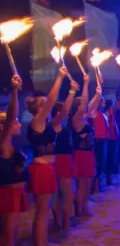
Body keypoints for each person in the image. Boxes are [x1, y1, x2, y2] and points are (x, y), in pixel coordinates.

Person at [25, 66, 68, 246]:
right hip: (40, 168)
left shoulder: (46, 123)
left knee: (45, 208)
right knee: (42, 210)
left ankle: (42, 243)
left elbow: (62, 110)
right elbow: (51, 100)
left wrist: (72, 91)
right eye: (43, 105)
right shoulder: (36, 121)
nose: (48, 107)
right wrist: (59, 77)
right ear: (38, 108)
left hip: (48, 167)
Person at [0, 75, 25, 246]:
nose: (18, 123)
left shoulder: (10, 143)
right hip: (5, 195)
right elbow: (11, 116)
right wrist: (15, 91)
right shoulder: (2, 143)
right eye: (13, 122)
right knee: (3, 239)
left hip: (15, 195)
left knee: (11, 235)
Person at [72, 75, 102, 217]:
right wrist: (85, 84)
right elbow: (86, 104)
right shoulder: (76, 120)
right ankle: (80, 210)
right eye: (81, 105)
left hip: (88, 153)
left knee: (87, 183)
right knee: (82, 184)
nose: (85, 107)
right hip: (81, 154)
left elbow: (92, 105)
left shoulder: (84, 118)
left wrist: (98, 93)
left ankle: (84, 208)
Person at [52, 80, 79, 232]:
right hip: (59, 160)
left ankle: (64, 220)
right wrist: (72, 92)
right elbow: (64, 112)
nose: (67, 112)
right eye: (63, 110)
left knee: (65, 194)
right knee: (63, 193)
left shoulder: (64, 125)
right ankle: (61, 221)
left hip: (65, 159)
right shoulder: (54, 124)